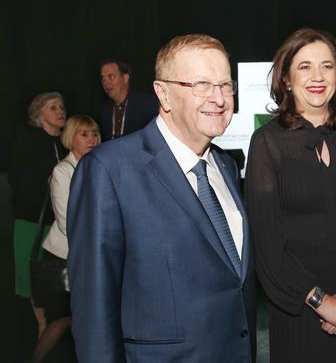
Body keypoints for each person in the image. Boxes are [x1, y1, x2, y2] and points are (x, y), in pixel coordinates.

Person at [68, 34, 255, 362]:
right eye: (201, 84)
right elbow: (93, 311)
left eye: (225, 85)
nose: (219, 98)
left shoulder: (225, 165)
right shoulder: (109, 170)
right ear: (163, 93)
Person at [245, 28, 336, 362]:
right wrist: (323, 303)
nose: (317, 77)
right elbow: (266, 241)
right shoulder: (267, 143)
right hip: (300, 308)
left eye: (327, 66)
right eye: (305, 66)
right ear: (286, 79)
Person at [30, 114, 100, 363]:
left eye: (94, 134)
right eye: (84, 134)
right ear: (71, 138)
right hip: (64, 257)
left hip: (89, 255)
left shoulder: (97, 166)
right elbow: (66, 221)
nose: (91, 139)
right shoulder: (62, 171)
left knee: (83, 319)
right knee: (61, 320)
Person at [8, 92, 67, 338]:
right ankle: (42, 328)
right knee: (32, 274)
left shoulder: (65, 143)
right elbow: (19, 179)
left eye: (62, 106)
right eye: (53, 107)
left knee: (57, 277)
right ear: (39, 115)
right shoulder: (29, 141)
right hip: (32, 219)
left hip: (60, 222)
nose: (60, 110)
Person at [99, 60, 159, 140]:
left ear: (125, 78)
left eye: (110, 76)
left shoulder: (147, 104)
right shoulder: (105, 110)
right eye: (103, 79)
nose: (106, 83)